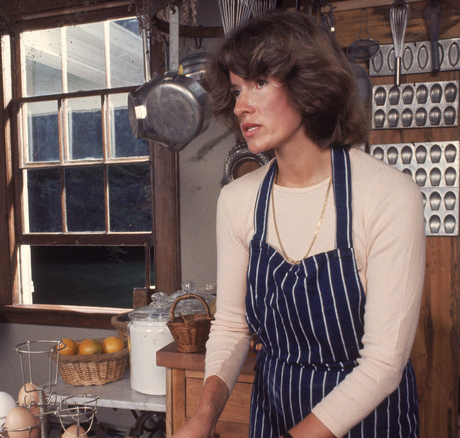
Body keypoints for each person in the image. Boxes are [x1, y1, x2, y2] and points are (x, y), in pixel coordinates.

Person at [172, 10, 425, 438]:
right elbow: (233, 327)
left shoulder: (387, 195)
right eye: (236, 90)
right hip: (274, 415)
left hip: (367, 422)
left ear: (309, 83)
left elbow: (383, 364)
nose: (240, 106)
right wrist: (204, 415)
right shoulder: (237, 201)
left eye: (259, 83)